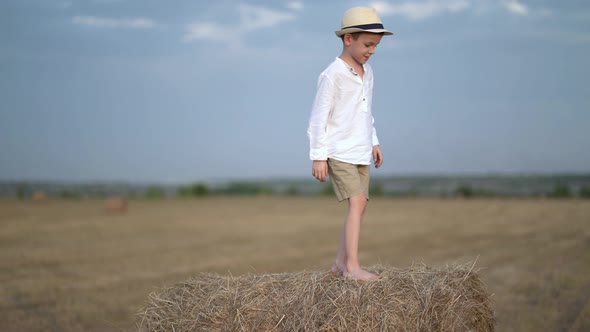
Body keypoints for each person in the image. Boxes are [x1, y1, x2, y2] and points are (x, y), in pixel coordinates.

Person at [307, 7, 393, 281]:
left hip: (360, 150)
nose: (372, 51)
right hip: (339, 151)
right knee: (356, 202)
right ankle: (352, 268)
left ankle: (339, 263)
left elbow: (365, 111)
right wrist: (319, 157)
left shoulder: (368, 73)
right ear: (348, 39)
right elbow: (318, 119)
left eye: (376, 46)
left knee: (362, 204)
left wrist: (374, 141)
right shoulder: (332, 75)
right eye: (368, 44)